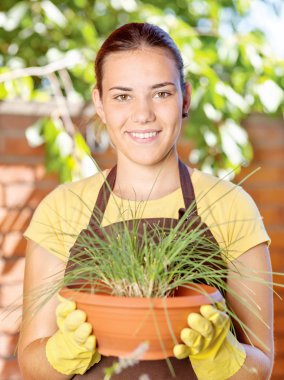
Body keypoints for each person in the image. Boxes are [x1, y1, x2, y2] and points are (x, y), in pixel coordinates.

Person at [18, 23, 274, 380]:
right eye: (123, 96)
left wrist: (222, 355)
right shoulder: (62, 209)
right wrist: (63, 353)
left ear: (185, 98)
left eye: (161, 94)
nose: (143, 114)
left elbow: (262, 366)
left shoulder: (230, 205)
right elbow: (31, 364)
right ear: (100, 104)